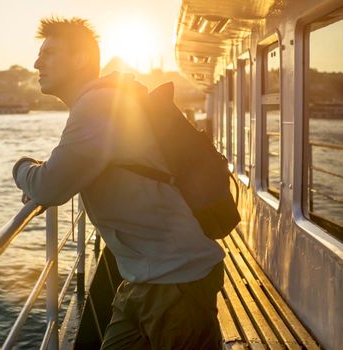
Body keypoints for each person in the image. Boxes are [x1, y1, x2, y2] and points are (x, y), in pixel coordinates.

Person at [12, 17, 225, 349]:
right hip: (145, 278)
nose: (37, 62)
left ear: (80, 59)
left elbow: (49, 187)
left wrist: (21, 167)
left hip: (176, 281)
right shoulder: (99, 102)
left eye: (50, 53)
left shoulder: (99, 105)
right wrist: (47, 176)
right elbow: (62, 173)